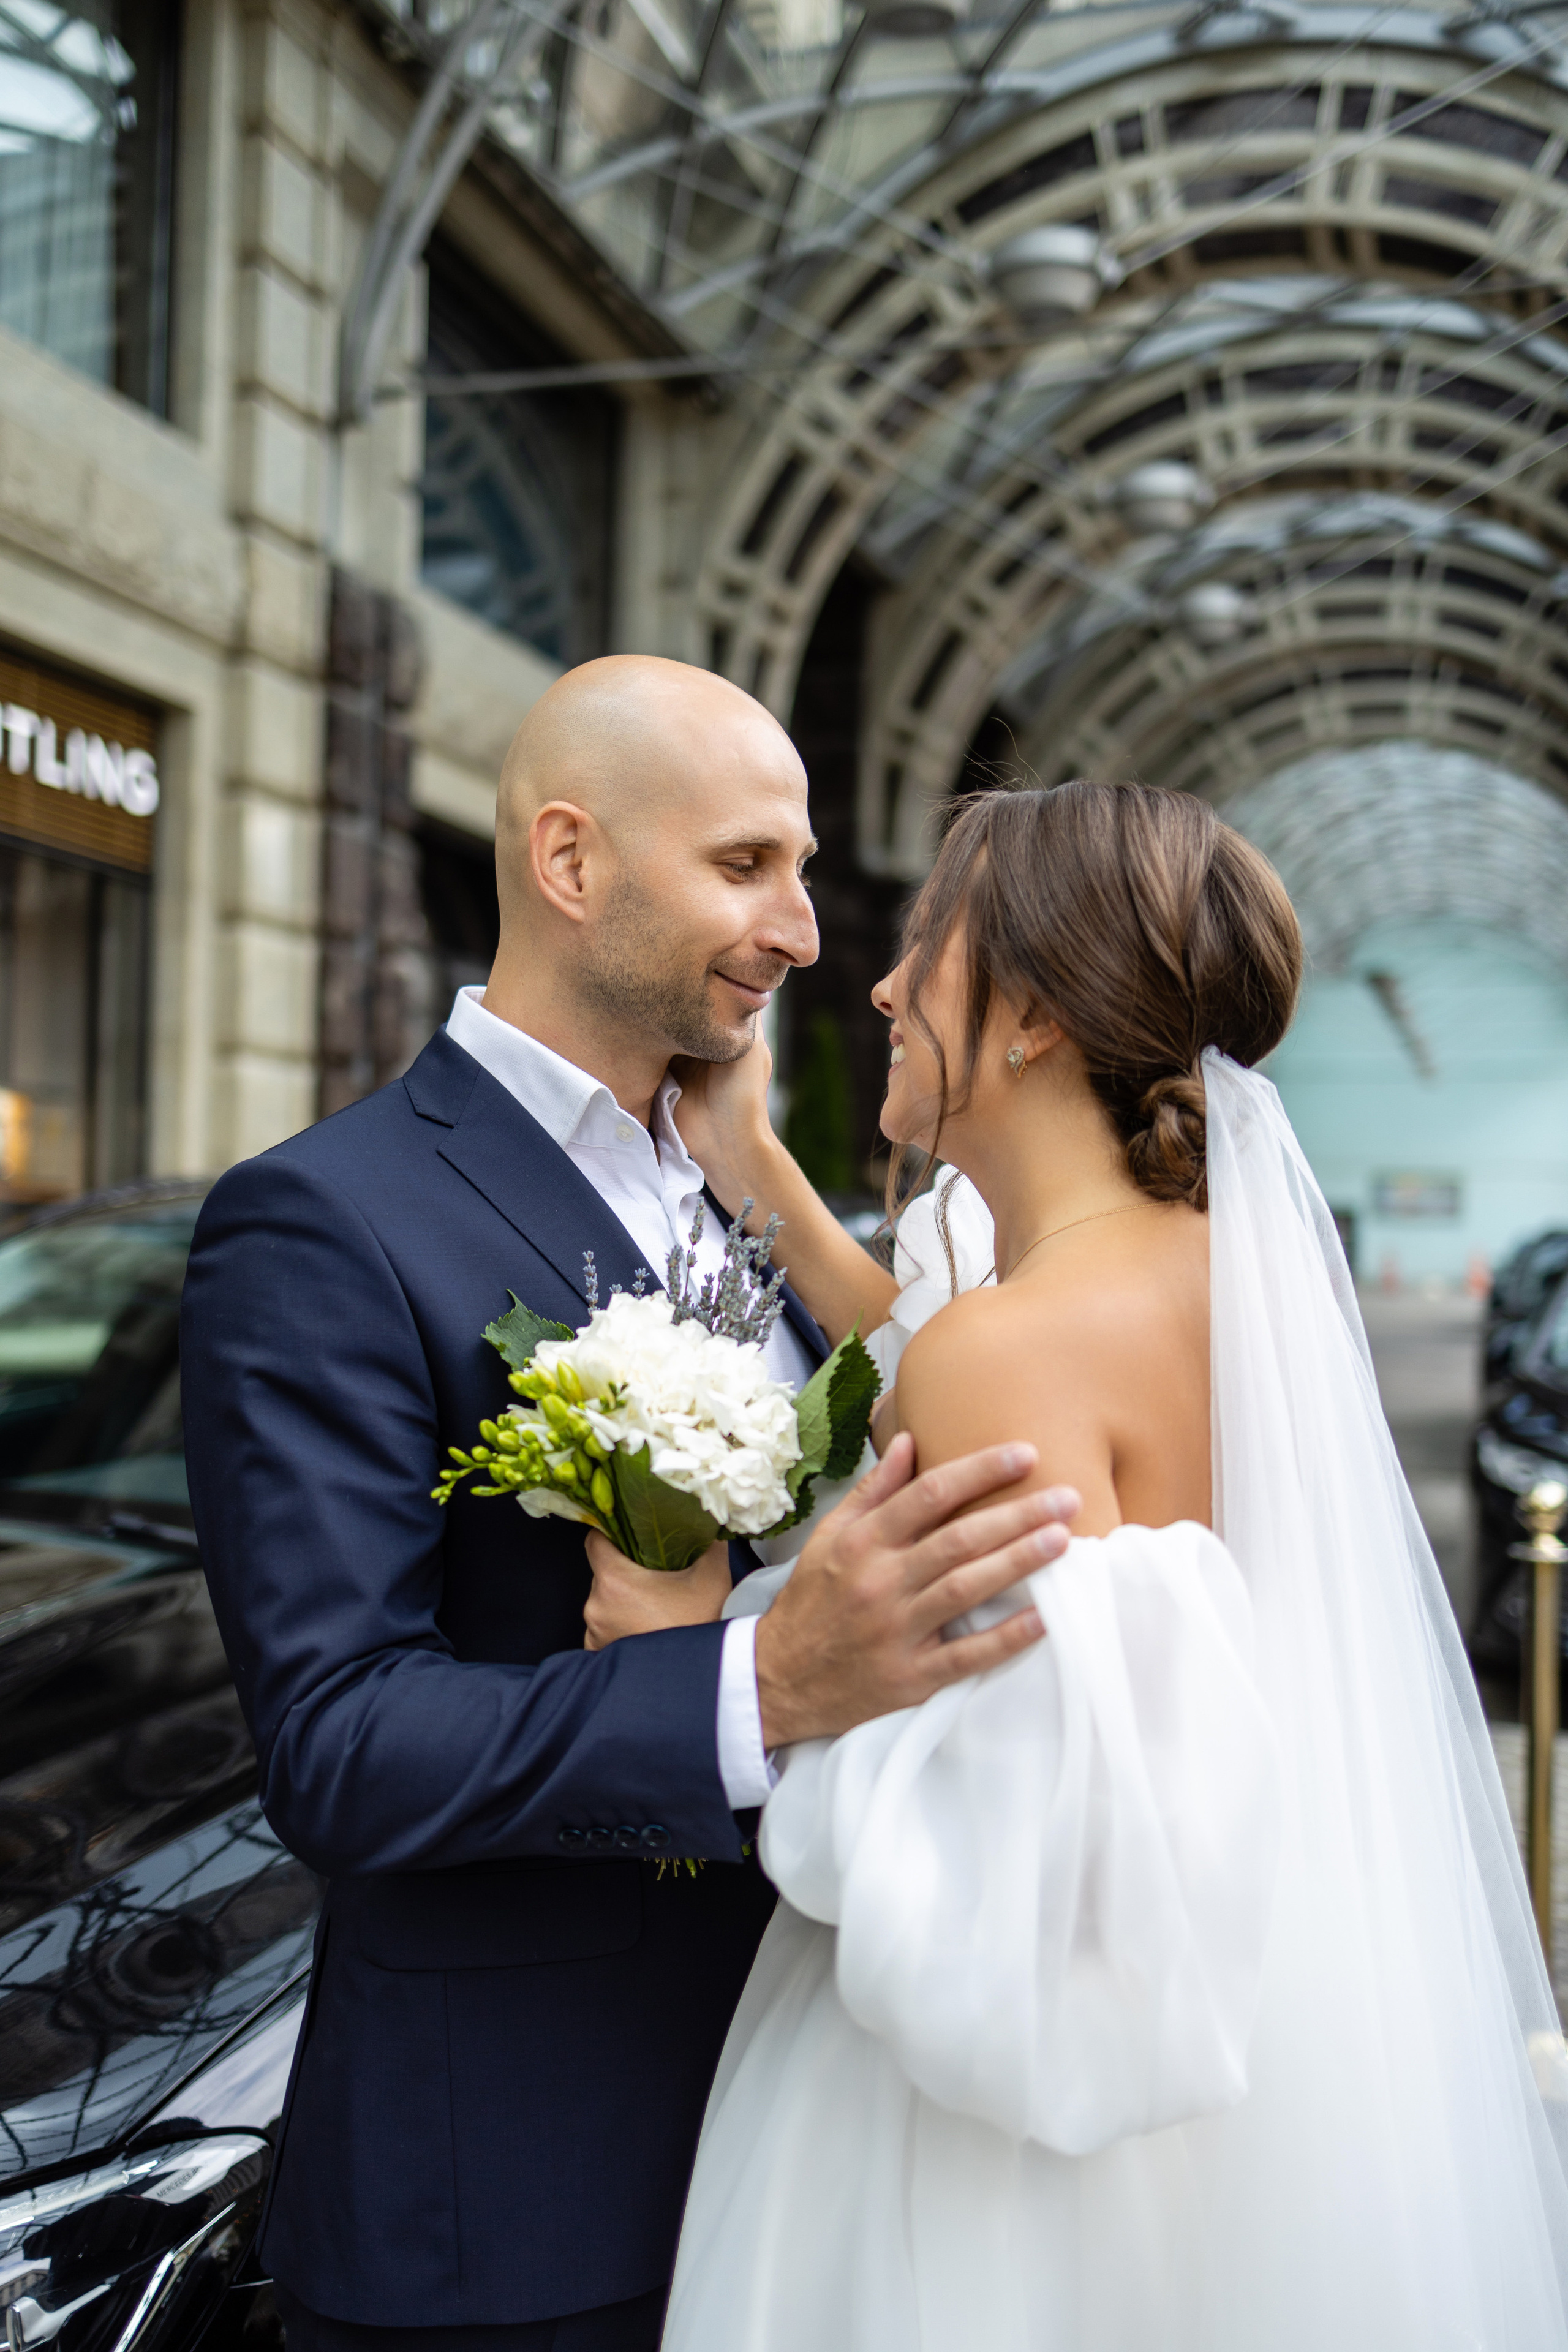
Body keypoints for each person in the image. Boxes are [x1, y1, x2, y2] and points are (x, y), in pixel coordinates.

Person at [584, 780, 1568, 2350]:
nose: (884, 987)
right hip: (1242, 2103)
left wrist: (693, 1649)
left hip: (973, 2165)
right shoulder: (1217, 1280)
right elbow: (938, 1372)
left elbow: (969, 1887)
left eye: (926, 948)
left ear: (1033, 1015)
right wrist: (753, 1159)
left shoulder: (1013, 1344)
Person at [178, 658, 1079, 2352]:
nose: (807, 933)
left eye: (804, 873)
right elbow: (342, 1748)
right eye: (751, 867)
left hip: (813, 2140)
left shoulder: (736, 1190)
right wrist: (759, 1686)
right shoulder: (325, 1221)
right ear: (571, 863)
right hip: (519, 2203)